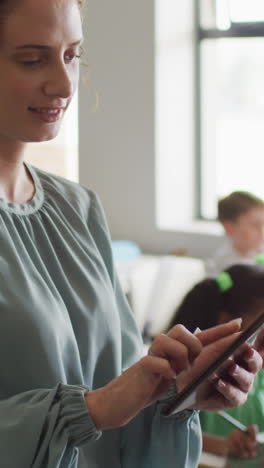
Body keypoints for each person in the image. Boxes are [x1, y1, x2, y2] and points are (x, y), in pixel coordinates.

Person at [0, 1, 263, 467]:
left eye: (72, 55)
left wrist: (175, 392)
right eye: (32, 59)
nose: (64, 85)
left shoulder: (79, 209)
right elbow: (102, 407)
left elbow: (120, 390)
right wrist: (94, 409)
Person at [168, 263, 264, 461]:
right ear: (228, 323)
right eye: (260, 328)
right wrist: (225, 445)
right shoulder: (188, 376)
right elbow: (168, 430)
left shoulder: (256, 367)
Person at [205, 191, 264, 277]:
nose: (261, 231)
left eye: (263, 224)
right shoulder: (218, 268)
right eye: (255, 225)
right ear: (229, 228)